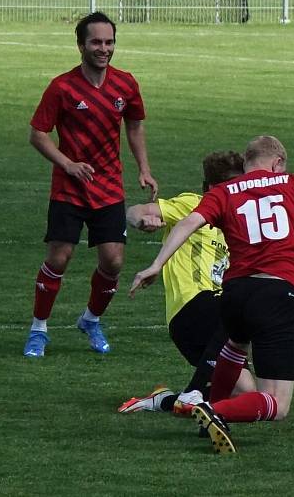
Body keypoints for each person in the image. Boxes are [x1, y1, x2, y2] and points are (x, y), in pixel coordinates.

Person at [129, 135, 294, 454]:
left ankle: (210, 409)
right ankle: (215, 410)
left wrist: (156, 264)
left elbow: (189, 222)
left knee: (235, 345)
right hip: (275, 292)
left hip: (234, 292)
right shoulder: (291, 183)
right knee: (277, 403)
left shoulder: (225, 191)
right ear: (278, 162)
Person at [23, 11, 158, 358]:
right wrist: (67, 164)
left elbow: (135, 125)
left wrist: (143, 168)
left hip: (109, 186)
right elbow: (38, 134)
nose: (104, 48)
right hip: (69, 188)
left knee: (113, 262)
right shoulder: (62, 87)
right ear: (81, 45)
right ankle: (39, 329)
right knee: (60, 257)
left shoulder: (125, 84)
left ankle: (91, 320)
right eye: (96, 42)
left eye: (109, 42)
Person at [117, 151, 256, 415]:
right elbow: (135, 211)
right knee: (242, 308)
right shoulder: (193, 204)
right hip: (192, 306)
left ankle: (165, 400)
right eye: (237, 184)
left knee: (245, 391)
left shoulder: (238, 219)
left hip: (214, 327)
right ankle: (193, 392)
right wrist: (143, 220)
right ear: (216, 188)